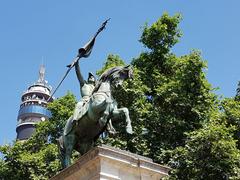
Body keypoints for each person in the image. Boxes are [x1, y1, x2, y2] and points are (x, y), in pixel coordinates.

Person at [72, 61, 116, 135]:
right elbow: (78, 74)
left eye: (92, 77)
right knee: (79, 104)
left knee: (106, 109)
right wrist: (76, 65)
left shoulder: (96, 89)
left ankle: (109, 127)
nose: (90, 77)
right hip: (85, 101)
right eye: (89, 77)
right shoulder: (83, 84)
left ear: (95, 80)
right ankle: (75, 119)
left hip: (93, 101)